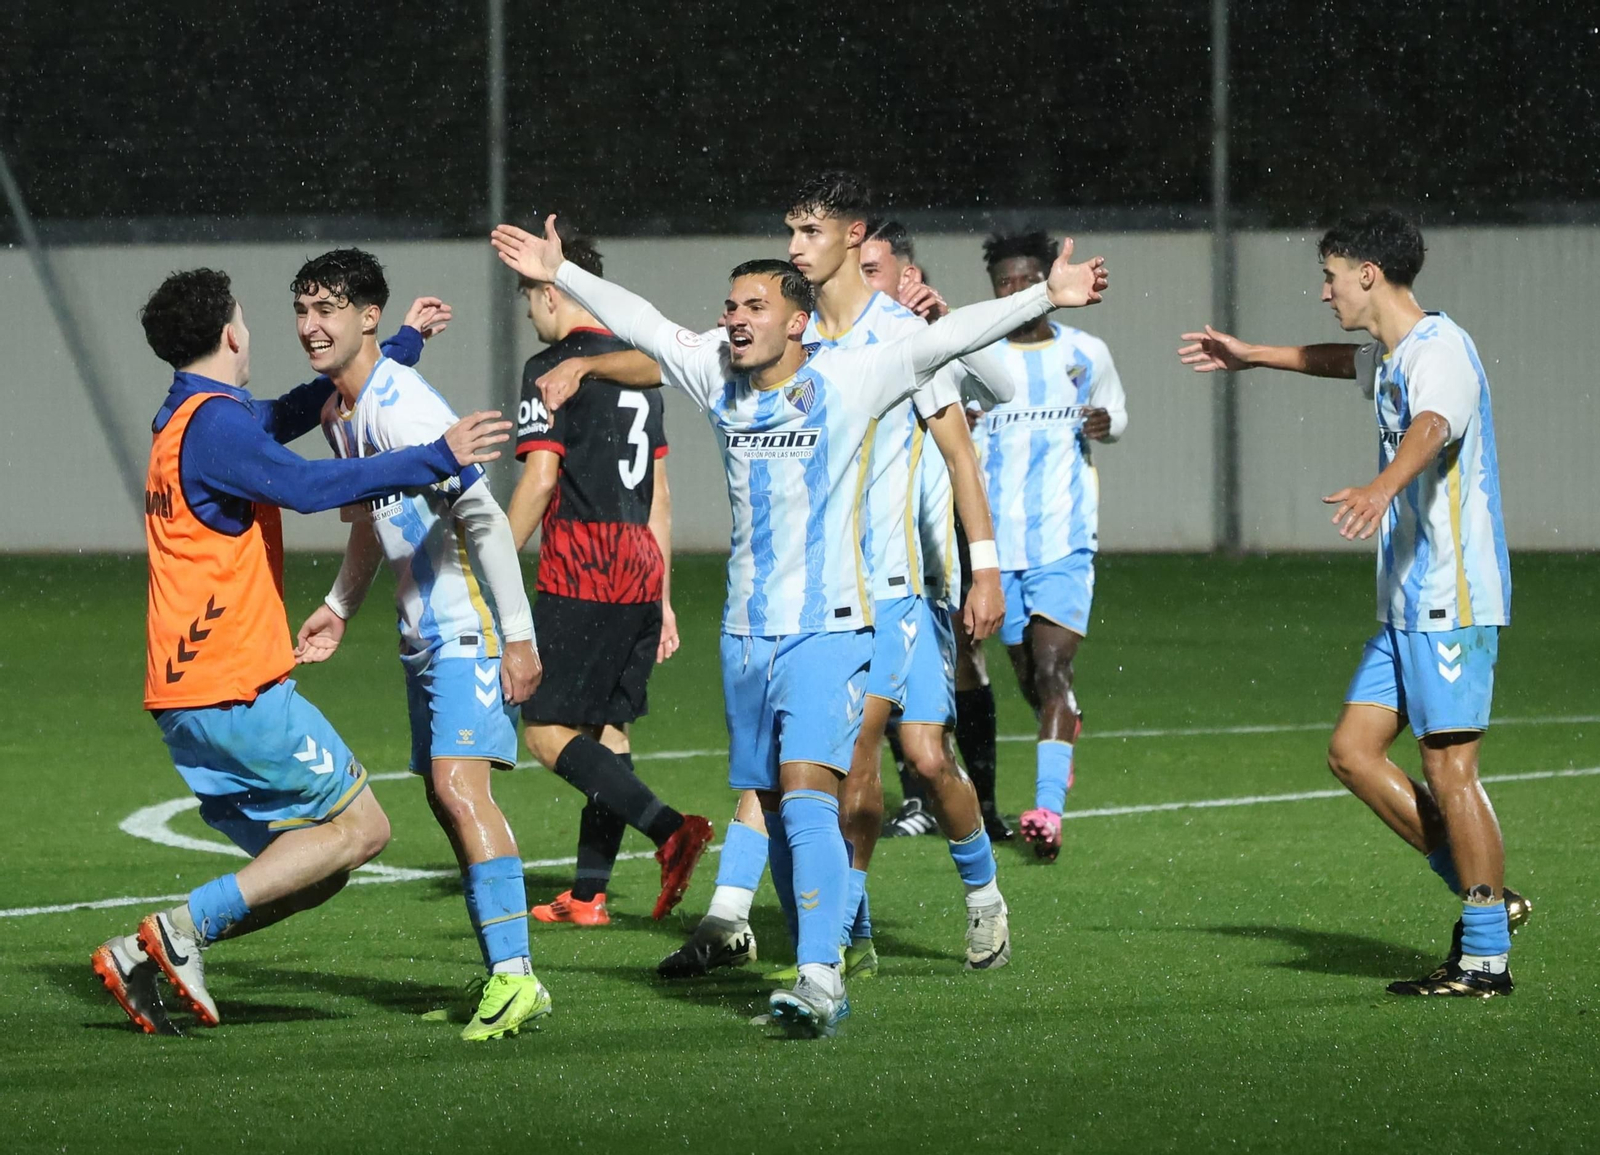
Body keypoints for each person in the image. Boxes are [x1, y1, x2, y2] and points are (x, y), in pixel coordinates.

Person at [492, 214, 1107, 1036]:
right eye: (729, 305)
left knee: (817, 792)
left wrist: (1043, 294)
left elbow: (948, 338)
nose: (735, 317)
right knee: (775, 802)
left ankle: (821, 977)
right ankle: (834, 939)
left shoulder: (854, 376)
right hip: (747, 637)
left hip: (835, 627)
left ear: (795, 319)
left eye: (754, 304)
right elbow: (641, 322)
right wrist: (565, 272)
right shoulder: (716, 374)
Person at [94, 268, 507, 1035]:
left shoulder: (190, 415)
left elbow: (293, 409)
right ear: (231, 334)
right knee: (364, 831)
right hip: (234, 689)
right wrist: (435, 454)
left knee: (319, 865)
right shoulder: (216, 427)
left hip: (186, 699)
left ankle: (144, 956)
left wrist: (397, 347)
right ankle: (179, 932)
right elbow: (313, 487)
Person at [1176, 209, 1527, 996]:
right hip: (1407, 602)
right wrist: (1253, 355)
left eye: (1331, 274)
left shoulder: (1442, 354)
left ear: (1369, 273)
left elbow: (1432, 428)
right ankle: (1490, 903)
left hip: (1451, 598)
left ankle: (1484, 958)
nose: (1324, 288)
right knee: (1352, 752)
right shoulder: (1398, 354)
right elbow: (1344, 363)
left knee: (1450, 769)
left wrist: (1381, 485)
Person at [288, 249, 548, 1042]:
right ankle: (502, 967)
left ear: (368, 316)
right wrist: (338, 606)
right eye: (302, 309)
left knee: (462, 791)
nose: (310, 326)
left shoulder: (401, 408)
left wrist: (519, 637)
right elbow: (370, 519)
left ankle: (516, 978)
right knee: (446, 795)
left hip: (466, 627)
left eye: (328, 308)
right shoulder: (344, 414)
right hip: (423, 632)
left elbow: (486, 519)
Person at [504, 228, 712, 927]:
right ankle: (590, 894)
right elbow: (659, 488)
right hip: (638, 560)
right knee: (607, 728)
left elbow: (539, 480)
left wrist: (496, 562)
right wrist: (664, 592)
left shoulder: (552, 367)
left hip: (581, 561)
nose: (531, 310)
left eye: (533, 296)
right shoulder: (638, 369)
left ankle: (669, 829)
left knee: (544, 730)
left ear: (553, 290)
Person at [972, 230, 1127, 863]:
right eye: (1002, 283)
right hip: (996, 550)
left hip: (1065, 539)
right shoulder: (976, 359)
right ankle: (1063, 728)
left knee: (1053, 670)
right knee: (1030, 679)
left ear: (1046, 283)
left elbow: (1115, 417)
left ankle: (1045, 811)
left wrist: (1104, 423)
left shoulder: (1086, 352)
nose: (1014, 292)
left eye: (1023, 280)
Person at [861, 220, 1009, 843]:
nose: (857, 283)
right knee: (858, 714)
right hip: (852, 558)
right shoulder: (836, 341)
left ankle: (981, 803)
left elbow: (1001, 387)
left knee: (964, 666)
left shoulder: (928, 343)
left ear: (908, 277)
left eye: (872, 270)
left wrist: (946, 322)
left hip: (929, 551)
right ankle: (914, 806)